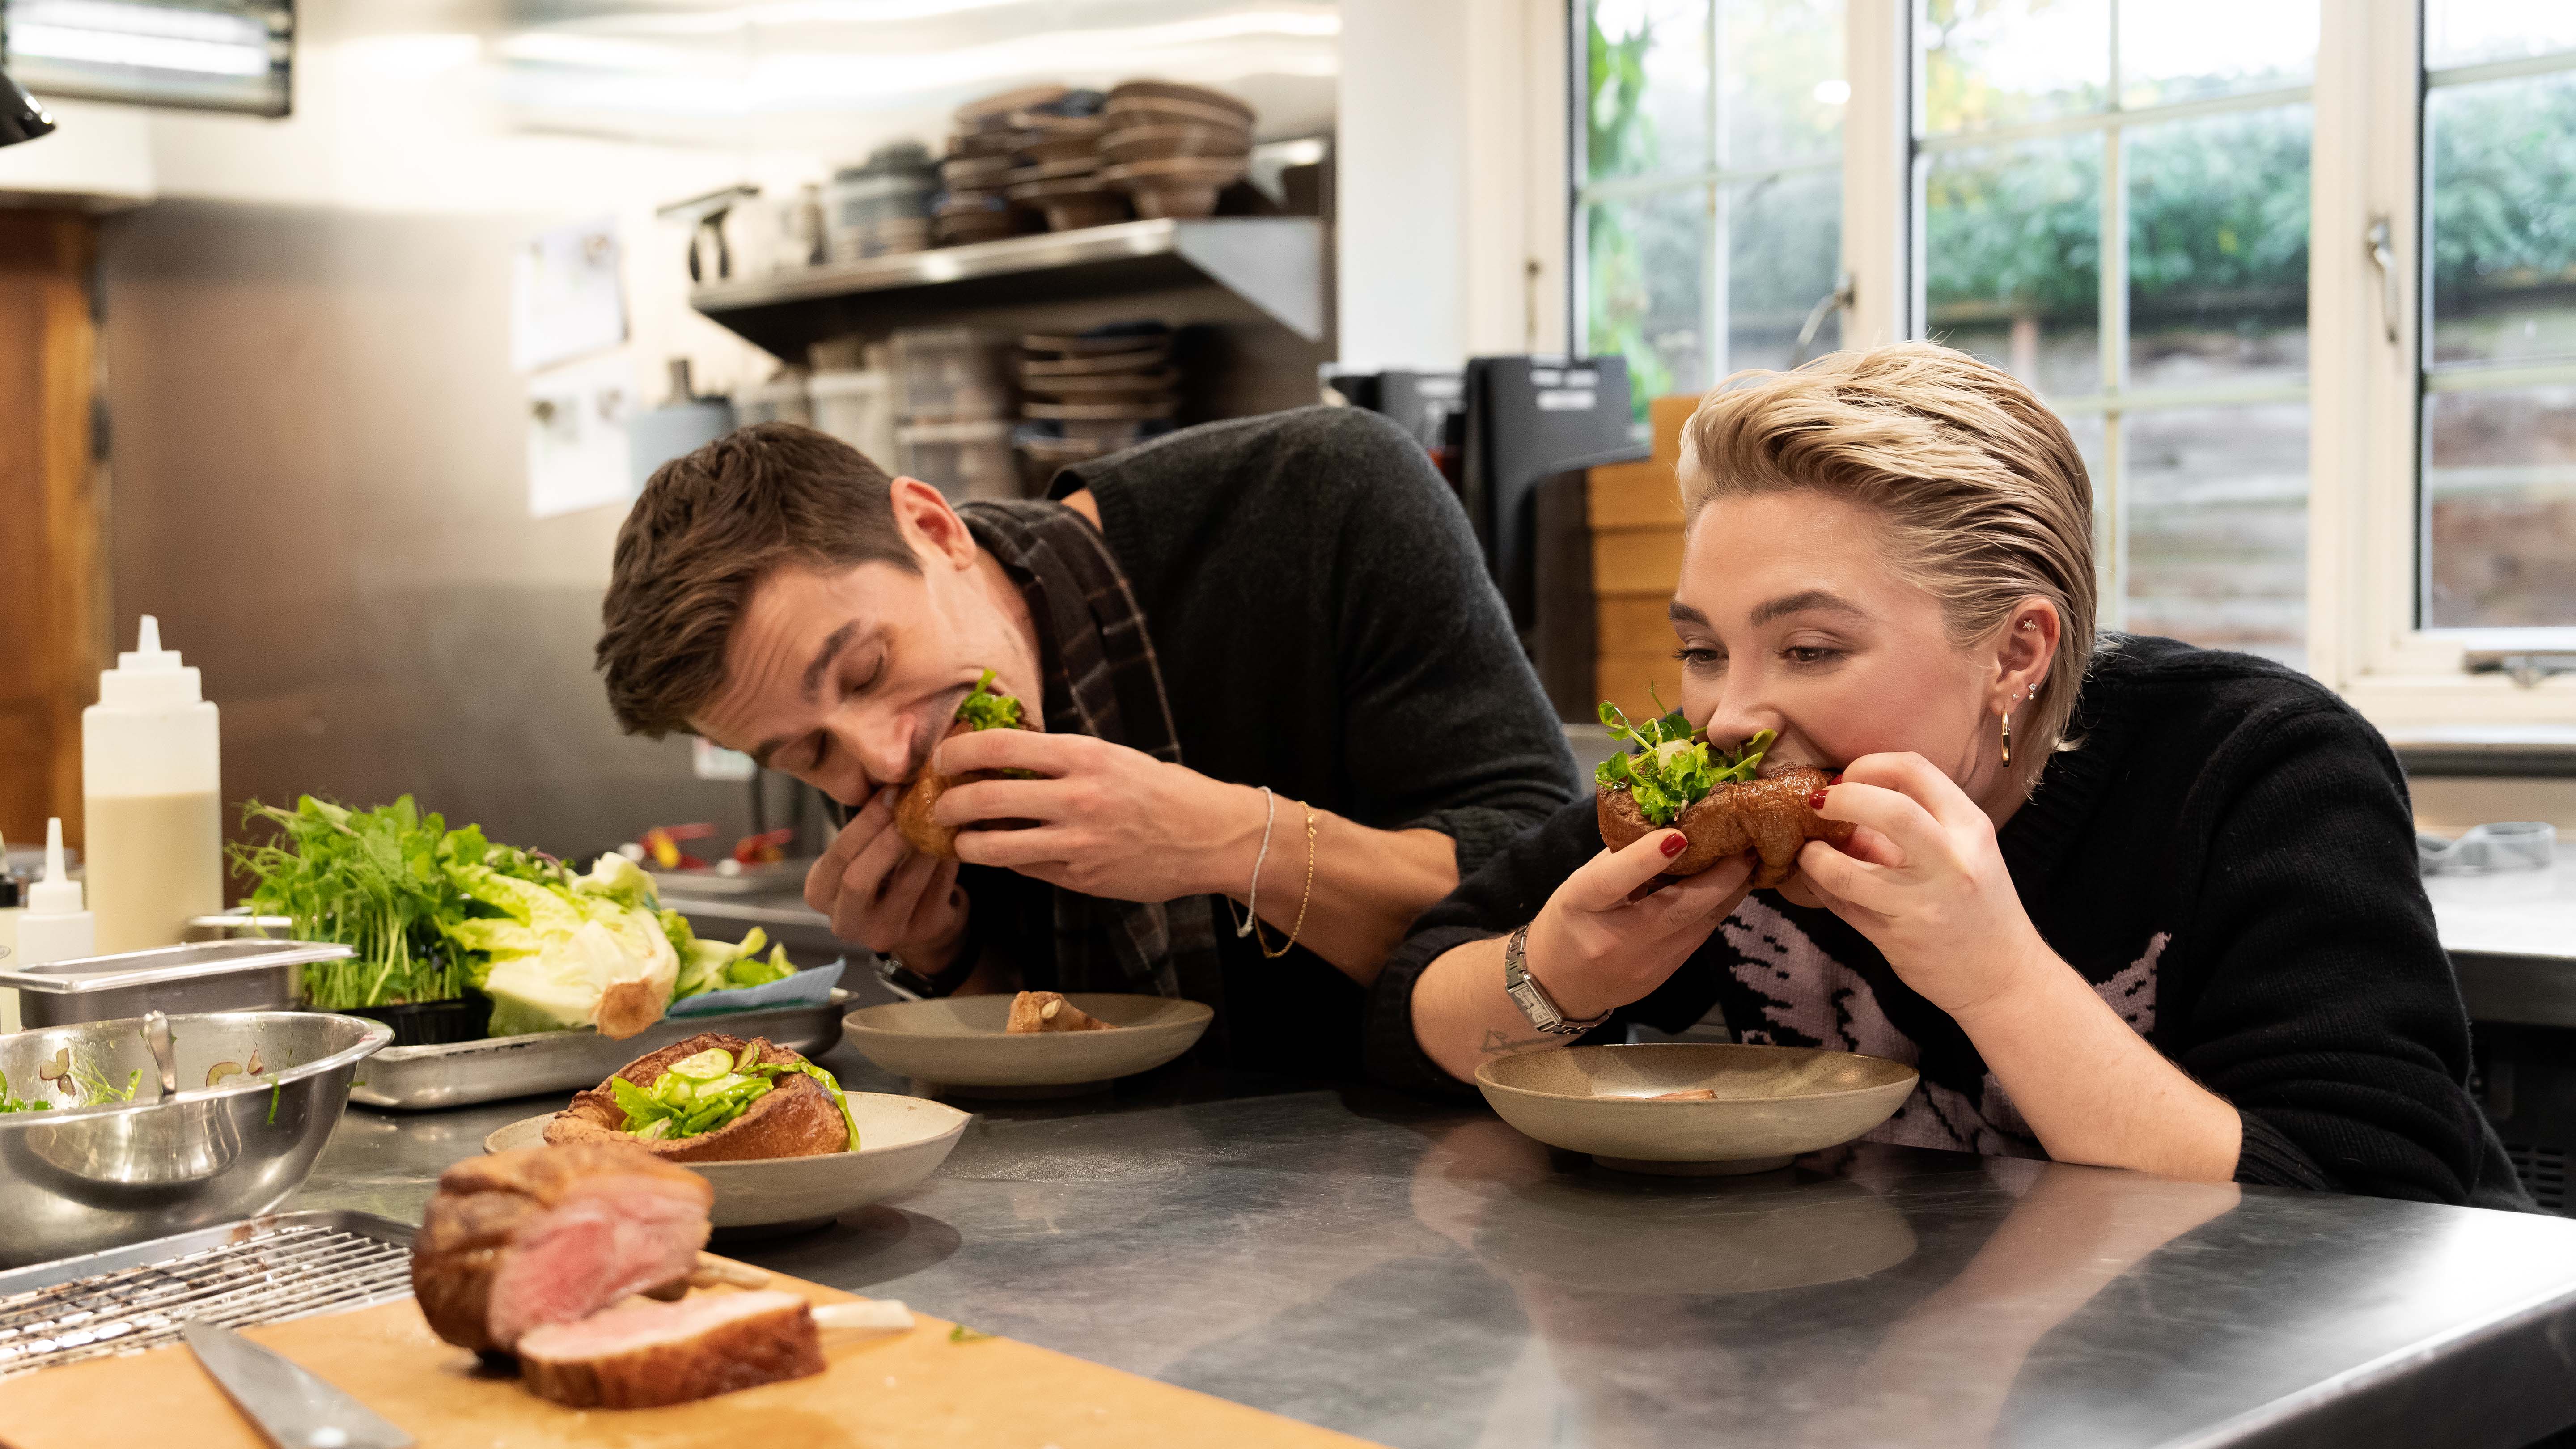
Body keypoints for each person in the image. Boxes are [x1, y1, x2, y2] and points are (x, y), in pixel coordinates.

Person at [1372, 342, 2525, 1207]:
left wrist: (1999, 977)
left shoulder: (2257, 769)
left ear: (2016, 650)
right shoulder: (1714, 789)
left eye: (1812, 649)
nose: (1728, 716)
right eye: (1703, 648)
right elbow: (1402, 1010)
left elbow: (2378, 1198)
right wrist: (1557, 976)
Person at [596, 408, 1577, 1080]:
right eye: (807, 755)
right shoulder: (875, 743)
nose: (884, 763)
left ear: (933, 528)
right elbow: (1066, 1056)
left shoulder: (1326, 495)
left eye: (864, 671)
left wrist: (1234, 842)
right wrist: (946, 955)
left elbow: (1562, 888)